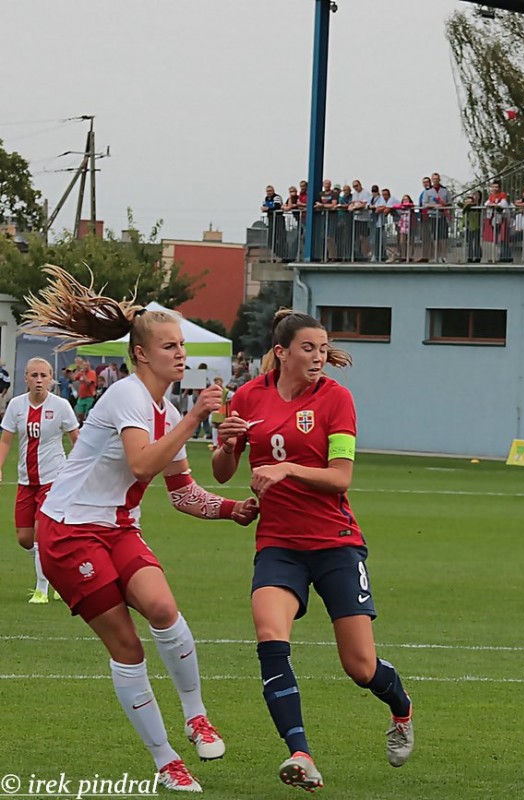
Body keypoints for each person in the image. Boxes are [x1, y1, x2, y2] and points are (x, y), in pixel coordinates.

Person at [21, 266, 259, 792]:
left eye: (182, 344)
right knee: (128, 648)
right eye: (170, 345)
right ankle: (166, 759)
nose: (180, 352)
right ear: (142, 355)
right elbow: (145, 463)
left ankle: (196, 717)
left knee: (164, 609)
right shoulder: (129, 396)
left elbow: (184, 494)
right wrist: (196, 418)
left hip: (116, 528)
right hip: (67, 535)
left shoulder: (165, 407)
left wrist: (231, 509)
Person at [211, 310, 413, 792]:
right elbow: (222, 472)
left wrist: (288, 470)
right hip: (278, 543)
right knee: (269, 634)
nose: (319, 357)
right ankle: (300, 753)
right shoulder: (247, 396)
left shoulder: (336, 400)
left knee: (360, 667)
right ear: (282, 353)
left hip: (335, 543)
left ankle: (401, 708)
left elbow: (340, 478)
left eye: (323, 348)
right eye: (309, 348)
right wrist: (225, 444)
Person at [0, 357, 80, 603]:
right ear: (25, 378)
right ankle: (62, 569)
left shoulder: (61, 406)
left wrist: (81, 472)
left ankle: (41, 590)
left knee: (39, 535)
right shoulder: (16, 405)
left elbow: (77, 440)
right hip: (26, 481)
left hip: (54, 479)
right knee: (25, 539)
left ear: (51, 379)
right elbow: (5, 440)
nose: (38, 380)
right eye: (33, 375)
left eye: (43, 376)